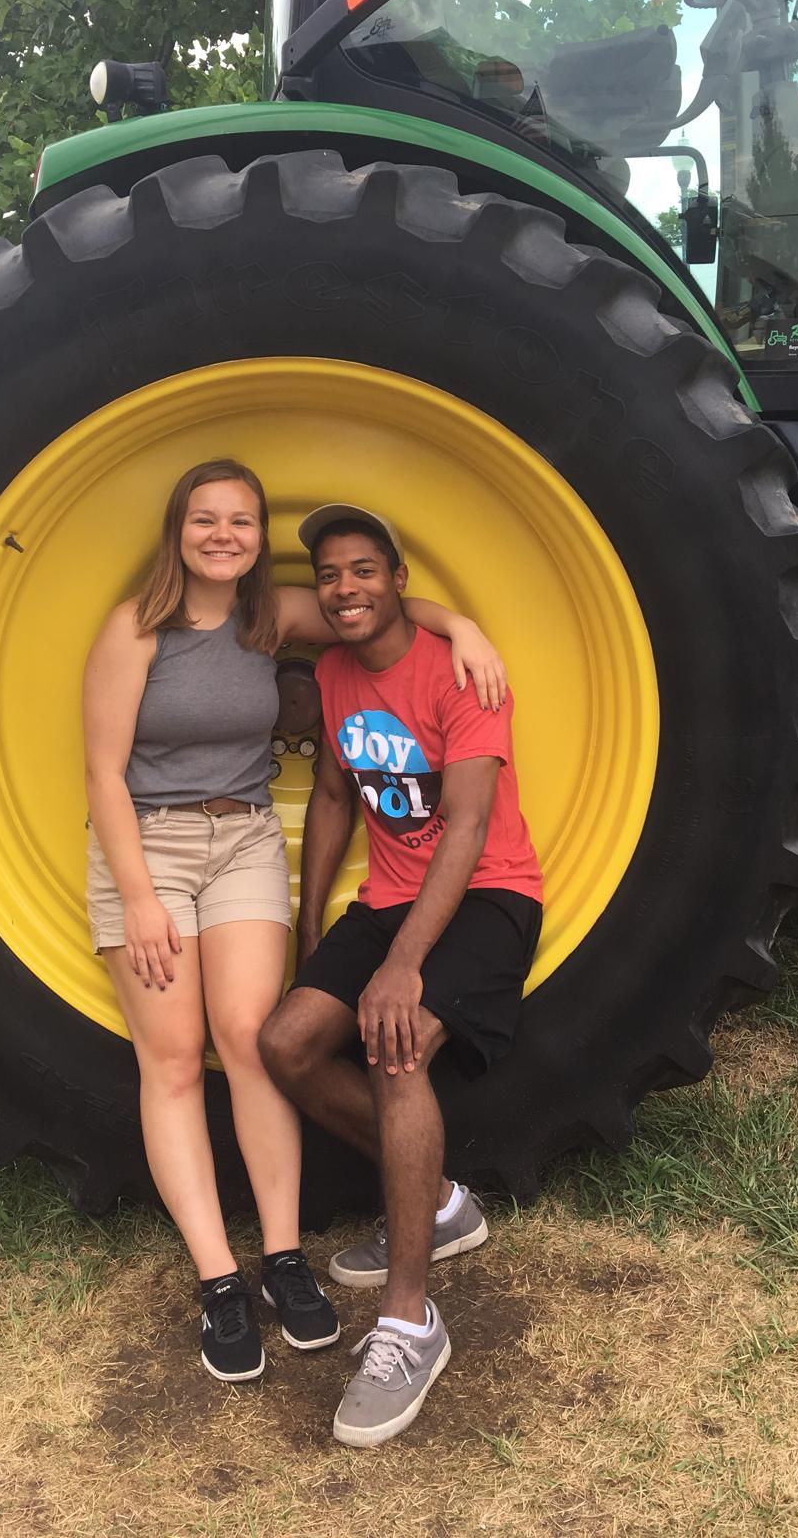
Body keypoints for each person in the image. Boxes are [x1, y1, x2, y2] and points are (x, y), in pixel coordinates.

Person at [81, 461, 507, 1384]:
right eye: (206, 520)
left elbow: (385, 609)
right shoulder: (134, 628)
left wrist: (464, 624)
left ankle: (283, 1257)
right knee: (171, 1058)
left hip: (241, 844)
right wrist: (139, 895)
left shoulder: (269, 616)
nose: (225, 535)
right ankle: (219, 1279)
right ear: (178, 529)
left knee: (249, 1037)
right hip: (146, 851)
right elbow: (104, 774)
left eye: (241, 520)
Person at [258, 503, 543, 1446]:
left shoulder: (464, 671)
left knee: (394, 1043)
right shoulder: (336, 674)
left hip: (487, 895)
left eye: (365, 571)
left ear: (399, 580)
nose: (346, 588)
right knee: (284, 1044)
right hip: (385, 901)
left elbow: (464, 829)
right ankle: (438, 1202)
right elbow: (337, 792)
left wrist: (405, 968)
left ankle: (412, 1320)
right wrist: (313, 936)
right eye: (331, 574)